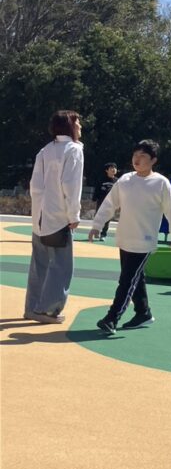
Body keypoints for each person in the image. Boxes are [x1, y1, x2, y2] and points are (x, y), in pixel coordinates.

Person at [88, 140, 171, 333]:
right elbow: (109, 204)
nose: (137, 159)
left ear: (153, 160)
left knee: (127, 280)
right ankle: (143, 313)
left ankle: (112, 318)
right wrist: (97, 225)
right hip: (125, 238)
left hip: (144, 241)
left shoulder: (161, 183)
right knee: (135, 278)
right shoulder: (125, 180)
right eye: (135, 155)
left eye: (143, 156)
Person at [24, 109, 84, 324]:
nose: (80, 126)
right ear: (70, 126)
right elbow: (71, 185)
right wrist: (73, 214)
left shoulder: (46, 150)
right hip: (59, 216)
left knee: (39, 264)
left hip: (40, 216)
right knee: (61, 266)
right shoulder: (73, 150)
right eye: (77, 122)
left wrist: (38, 210)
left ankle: (32, 307)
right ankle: (48, 310)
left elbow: (34, 185)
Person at [94, 162, 119, 240]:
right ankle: (97, 232)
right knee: (98, 217)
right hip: (101, 202)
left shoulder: (117, 181)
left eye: (115, 168)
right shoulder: (101, 179)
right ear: (106, 170)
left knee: (107, 219)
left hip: (111, 203)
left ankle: (103, 234)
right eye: (111, 168)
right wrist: (94, 198)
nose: (114, 169)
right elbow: (97, 189)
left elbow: (119, 192)